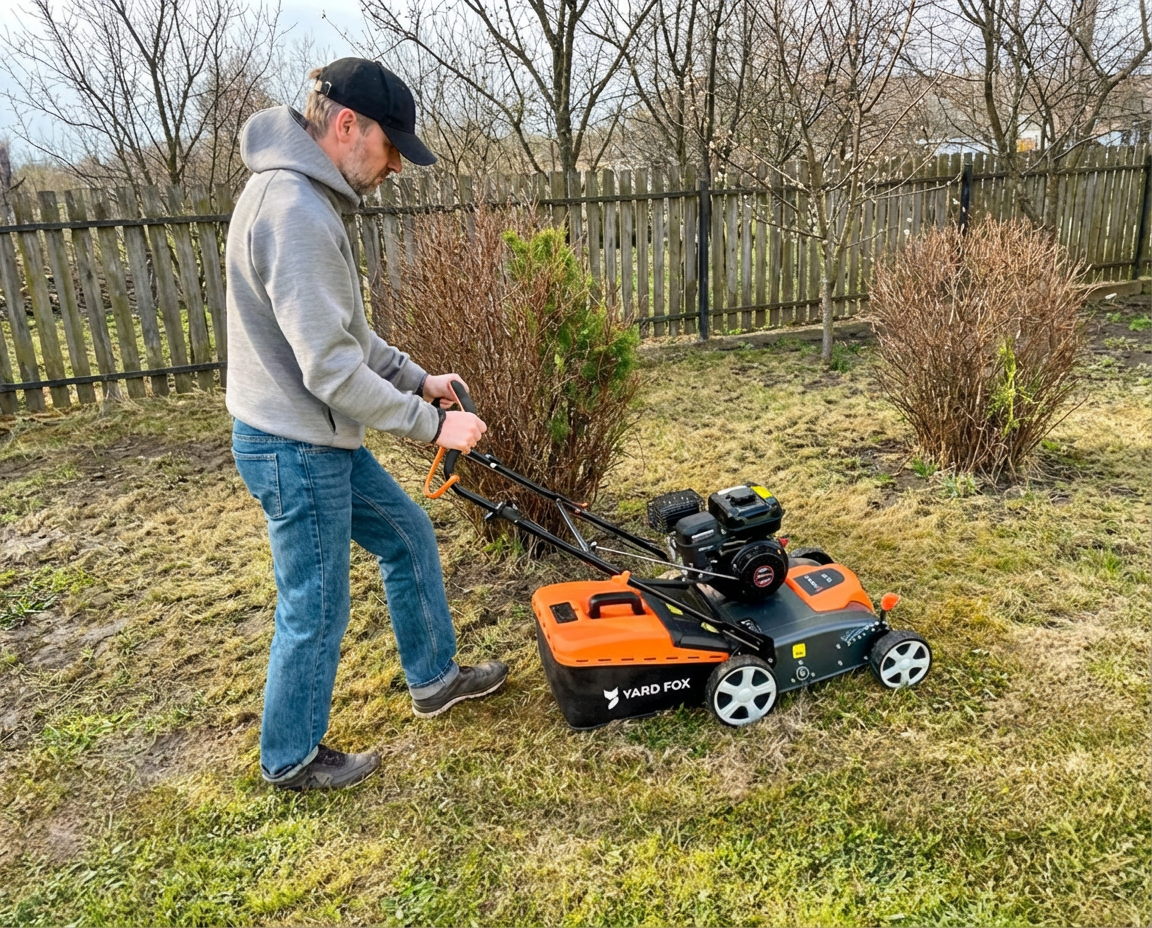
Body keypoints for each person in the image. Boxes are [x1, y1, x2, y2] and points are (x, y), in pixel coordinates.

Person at [225, 58, 508, 792]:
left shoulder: (302, 198)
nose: (395, 169)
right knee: (316, 603)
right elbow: (331, 372)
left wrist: (420, 377)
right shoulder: (295, 212)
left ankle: (434, 678)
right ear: (348, 125)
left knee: (406, 533)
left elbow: (348, 336)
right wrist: (432, 425)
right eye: (392, 149)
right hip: (296, 445)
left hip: (312, 436)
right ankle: (289, 757)